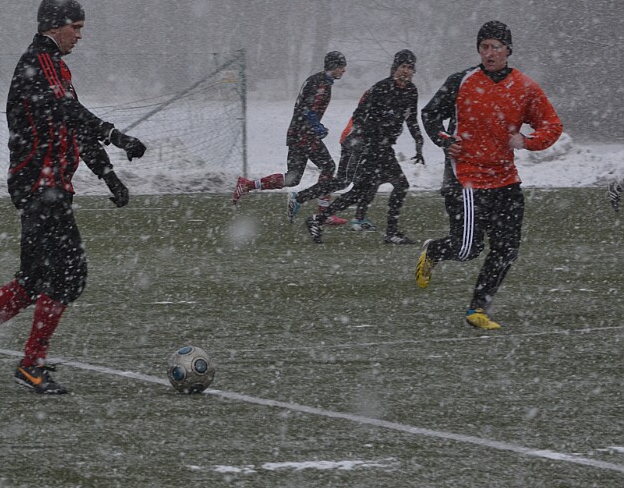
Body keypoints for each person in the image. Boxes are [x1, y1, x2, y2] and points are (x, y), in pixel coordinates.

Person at [0, 0, 146, 394]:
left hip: (44, 187)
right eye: (77, 27)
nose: (80, 36)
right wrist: (115, 135)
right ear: (54, 26)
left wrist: (109, 176)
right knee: (69, 275)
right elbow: (73, 116)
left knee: (35, 278)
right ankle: (31, 365)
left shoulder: (54, 68)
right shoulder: (39, 62)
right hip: (41, 187)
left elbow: (73, 126)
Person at [416, 21, 563, 330]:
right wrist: (445, 140)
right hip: (465, 176)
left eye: (496, 46)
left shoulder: (525, 87)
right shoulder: (461, 81)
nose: (490, 52)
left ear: (508, 50)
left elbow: (551, 125)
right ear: (478, 50)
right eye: (484, 47)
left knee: (507, 249)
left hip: (505, 179)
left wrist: (528, 141)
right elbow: (429, 114)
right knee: (468, 249)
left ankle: (477, 309)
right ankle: (434, 250)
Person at [232, 51, 349, 242]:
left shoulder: (319, 81)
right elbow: (307, 109)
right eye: (341, 66)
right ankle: (323, 212)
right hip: (305, 134)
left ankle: (247, 185)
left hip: (297, 133)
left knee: (292, 178)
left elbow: (304, 107)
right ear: (333, 66)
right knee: (328, 167)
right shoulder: (321, 85)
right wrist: (317, 126)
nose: (344, 70)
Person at [315, 50, 425, 244]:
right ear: (395, 68)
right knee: (399, 185)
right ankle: (390, 233)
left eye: (410, 68)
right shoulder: (381, 88)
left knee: (359, 192)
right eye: (403, 67)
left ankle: (318, 219)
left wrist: (418, 142)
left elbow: (412, 118)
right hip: (372, 148)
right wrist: (370, 136)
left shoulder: (411, 91)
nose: (406, 71)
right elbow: (359, 115)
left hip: (384, 148)